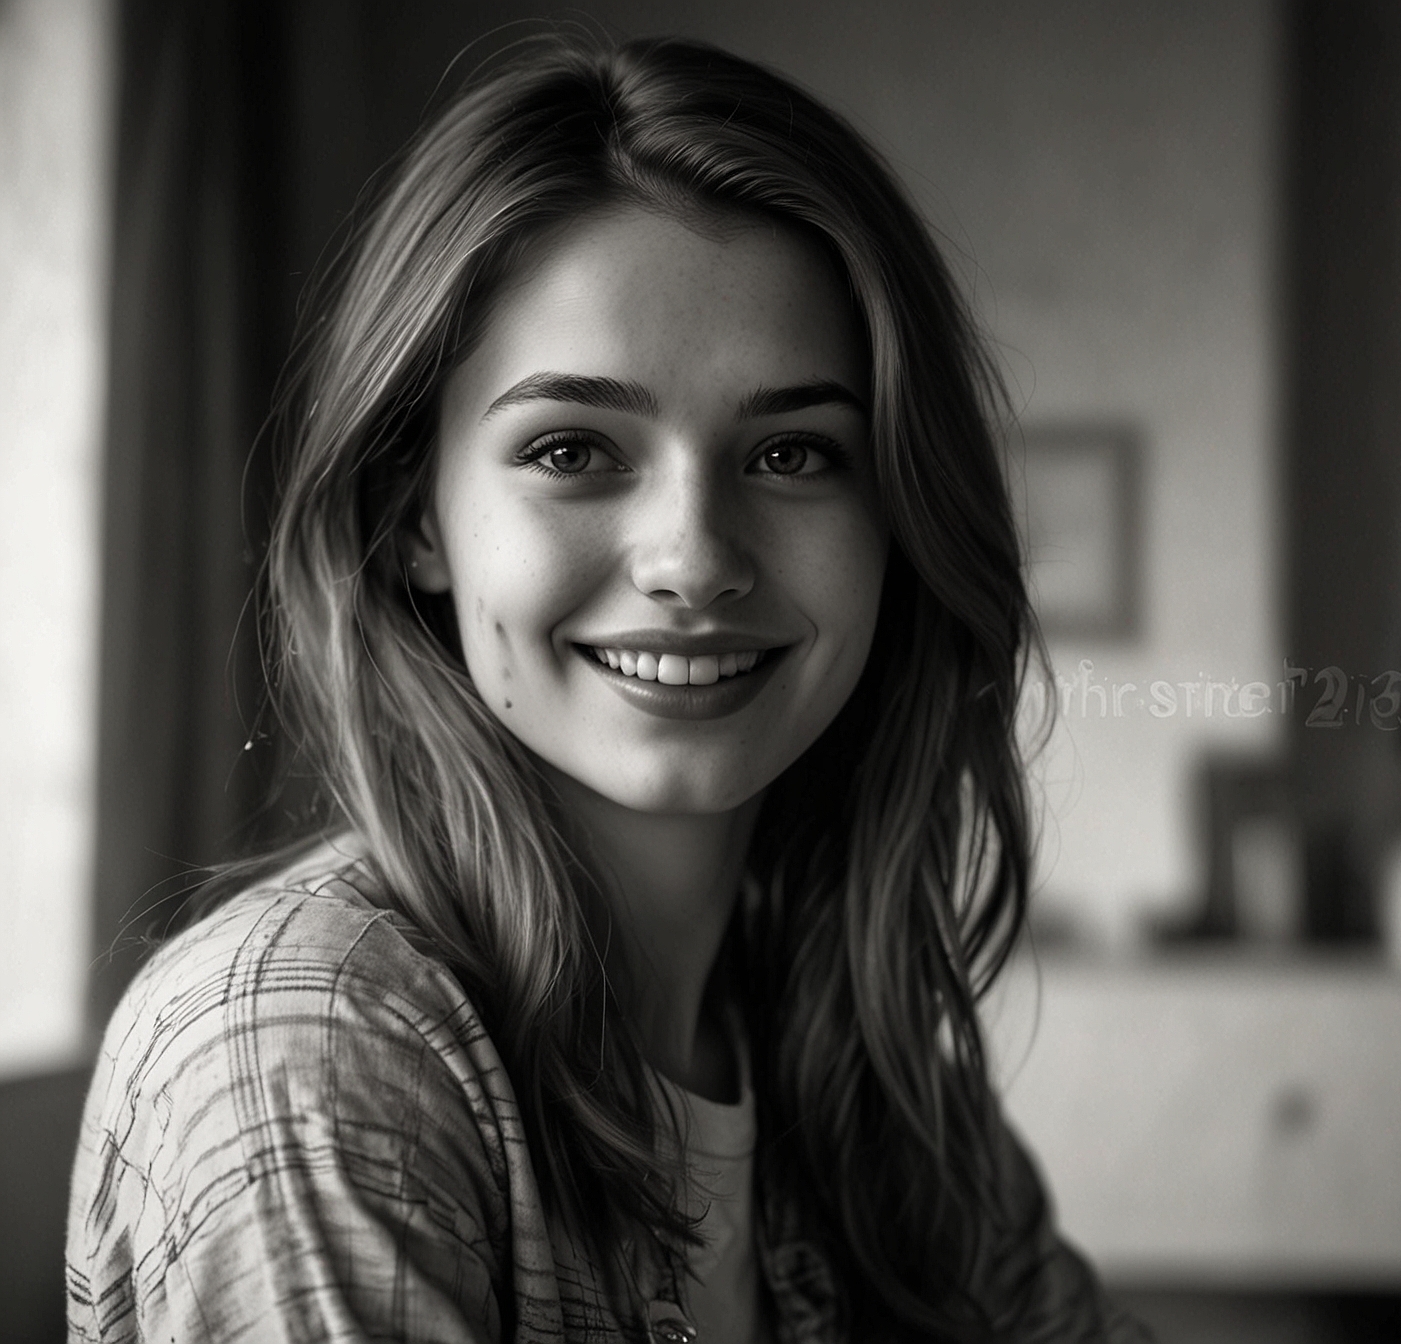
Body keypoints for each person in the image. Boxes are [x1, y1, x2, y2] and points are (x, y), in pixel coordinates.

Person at [66, 35, 1148, 1343]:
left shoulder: (868, 1074)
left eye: (795, 452)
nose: (693, 559)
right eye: (573, 450)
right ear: (415, 516)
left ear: (897, 525)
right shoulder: (314, 1042)